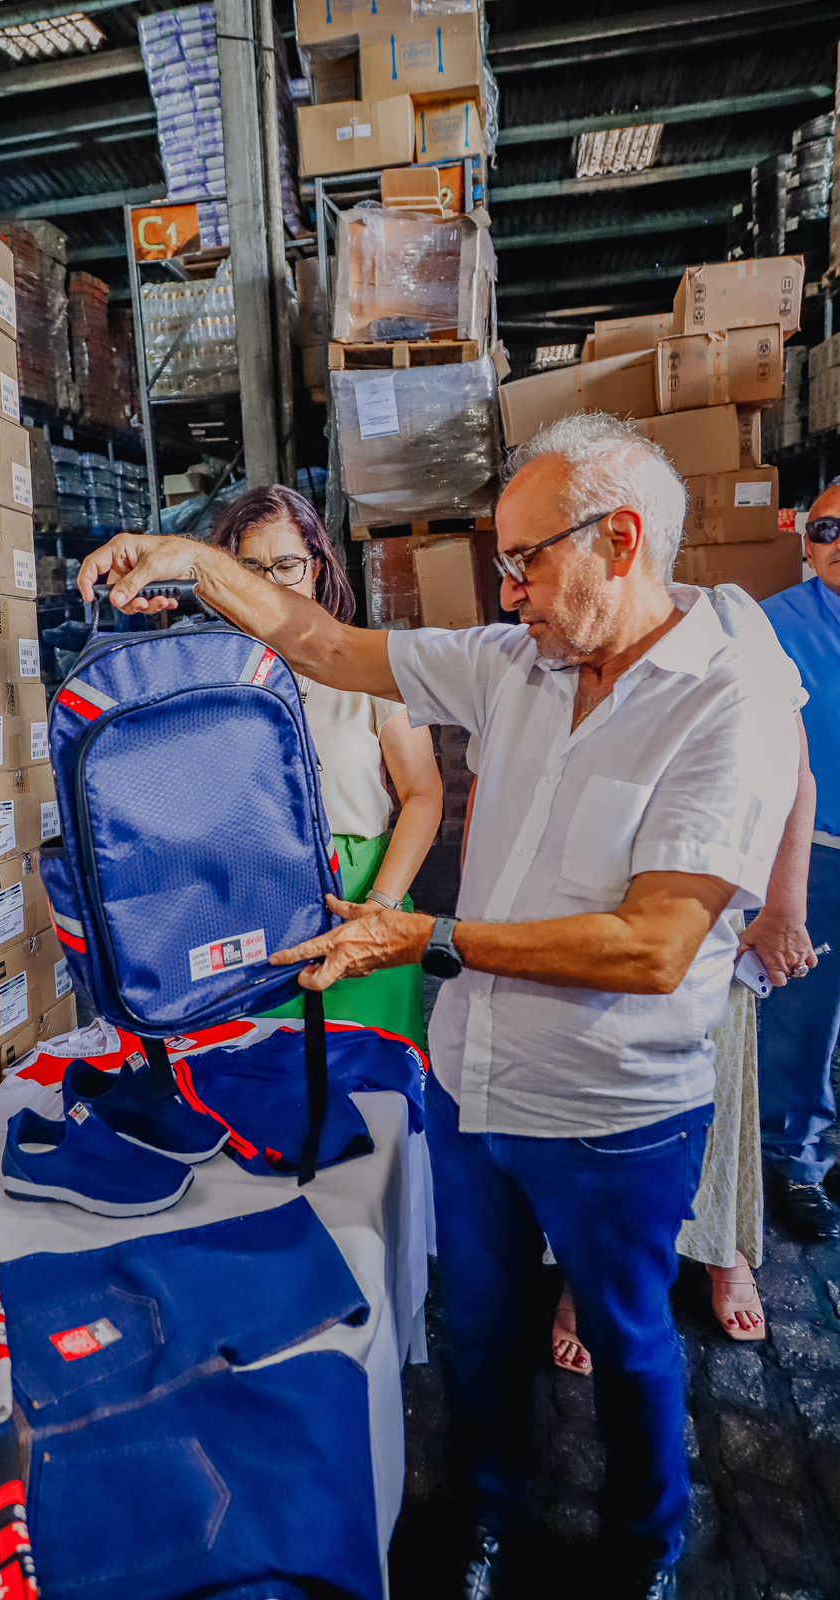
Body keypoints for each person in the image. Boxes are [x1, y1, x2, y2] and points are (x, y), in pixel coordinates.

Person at [80, 412, 798, 1599]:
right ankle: (487, 1522)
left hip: (614, 1104)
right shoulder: (515, 664)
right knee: (480, 1337)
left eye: (526, 561)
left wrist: (435, 936)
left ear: (619, 541)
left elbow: (656, 941)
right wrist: (193, 561)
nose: (507, 589)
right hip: (476, 1084)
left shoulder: (726, 702)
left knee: (626, 1344)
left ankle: (643, 1549)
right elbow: (322, 644)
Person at [540, 587, 816, 1366]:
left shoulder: (729, 616)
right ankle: (580, 1272)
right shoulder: (561, 621)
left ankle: (724, 1250)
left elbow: (794, 772)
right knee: (591, 1096)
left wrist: (782, 911)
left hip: (709, 919)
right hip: (593, 919)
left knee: (717, 1089)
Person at [209, 485, 442, 1049]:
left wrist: (380, 911)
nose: (270, 585)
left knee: (375, 1091)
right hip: (249, 907)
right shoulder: (211, 678)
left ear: (317, 566)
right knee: (256, 1083)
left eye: (287, 564)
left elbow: (422, 794)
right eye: (250, 568)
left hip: (357, 894)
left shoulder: (368, 667)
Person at [757, 479, 840, 1241]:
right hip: (820, 853)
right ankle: (794, 1155)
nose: (838, 542)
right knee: (801, 1016)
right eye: (826, 528)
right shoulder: (775, 627)